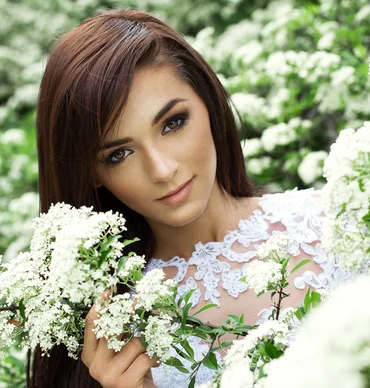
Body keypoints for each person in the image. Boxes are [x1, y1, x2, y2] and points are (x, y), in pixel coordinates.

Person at [32, 9, 351, 388]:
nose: (163, 169)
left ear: (208, 102)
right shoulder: (109, 326)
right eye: (118, 154)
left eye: (173, 123)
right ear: (91, 175)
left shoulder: (339, 222)